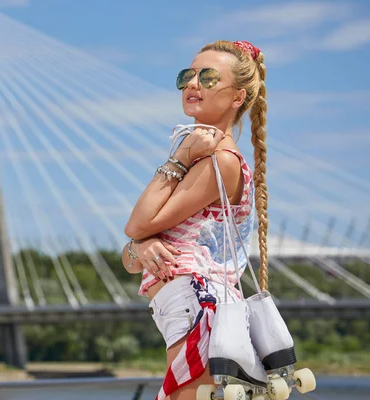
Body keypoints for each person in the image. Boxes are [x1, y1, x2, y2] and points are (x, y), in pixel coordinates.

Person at [121, 40, 268, 400]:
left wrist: (182, 155)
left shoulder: (222, 161)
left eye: (208, 77)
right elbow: (130, 254)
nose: (192, 84)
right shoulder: (202, 158)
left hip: (198, 306)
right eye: (188, 76)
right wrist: (141, 248)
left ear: (238, 97)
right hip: (185, 308)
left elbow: (136, 225)